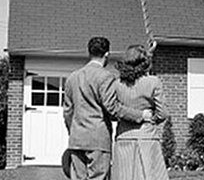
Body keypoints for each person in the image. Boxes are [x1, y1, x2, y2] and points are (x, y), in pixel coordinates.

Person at [63, 37, 149, 180]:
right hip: (98, 139)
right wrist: (140, 114)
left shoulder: (73, 77)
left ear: (89, 52)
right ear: (107, 54)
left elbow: (67, 112)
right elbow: (113, 107)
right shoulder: (105, 76)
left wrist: (73, 131)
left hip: (76, 139)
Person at [111, 44, 169, 180]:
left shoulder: (117, 84)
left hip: (124, 136)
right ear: (144, 62)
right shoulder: (153, 82)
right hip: (147, 137)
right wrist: (151, 118)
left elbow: (113, 111)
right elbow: (163, 113)